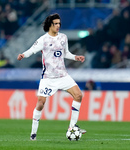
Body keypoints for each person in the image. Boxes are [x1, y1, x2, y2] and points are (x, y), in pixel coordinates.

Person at [17, 13, 86, 141]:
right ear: (50, 25)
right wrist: (23, 55)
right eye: (56, 24)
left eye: (59, 23)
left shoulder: (63, 38)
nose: (58, 26)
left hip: (63, 75)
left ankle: (72, 127)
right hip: (48, 78)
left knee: (78, 95)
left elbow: (66, 53)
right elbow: (32, 50)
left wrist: (75, 57)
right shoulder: (43, 40)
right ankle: (33, 134)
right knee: (40, 103)